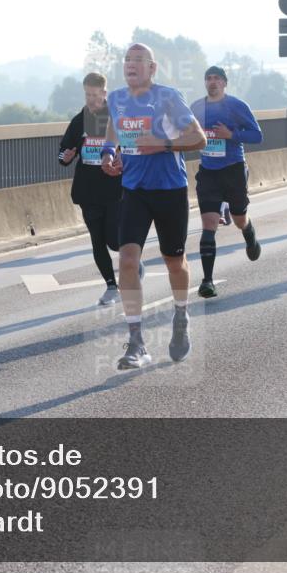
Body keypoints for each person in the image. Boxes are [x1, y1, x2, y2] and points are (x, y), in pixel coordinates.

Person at [100, 44, 206, 369]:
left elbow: (198, 139)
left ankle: (181, 314)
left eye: (138, 61)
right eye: (127, 60)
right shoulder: (117, 98)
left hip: (169, 190)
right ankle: (136, 342)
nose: (131, 65)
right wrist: (107, 153)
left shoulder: (168, 97)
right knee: (128, 260)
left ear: (152, 67)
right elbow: (114, 127)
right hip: (134, 190)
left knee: (175, 262)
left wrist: (162, 144)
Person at [190, 65, 263, 299]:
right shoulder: (196, 108)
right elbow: (185, 132)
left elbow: (257, 135)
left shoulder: (236, 106)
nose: (212, 82)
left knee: (240, 217)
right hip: (208, 172)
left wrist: (231, 135)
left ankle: (249, 233)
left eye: (217, 79)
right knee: (209, 225)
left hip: (233, 169)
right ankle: (207, 281)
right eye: (208, 78)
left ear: (224, 83)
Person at [58, 72, 124, 306]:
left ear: (104, 94)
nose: (91, 99)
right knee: (97, 240)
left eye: (96, 95)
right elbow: (63, 151)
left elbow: (132, 146)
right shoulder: (79, 120)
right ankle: (111, 287)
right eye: (87, 94)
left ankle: (133, 262)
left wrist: (120, 157)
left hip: (115, 188)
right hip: (88, 190)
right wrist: (66, 156)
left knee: (115, 242)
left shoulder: (116, 118)